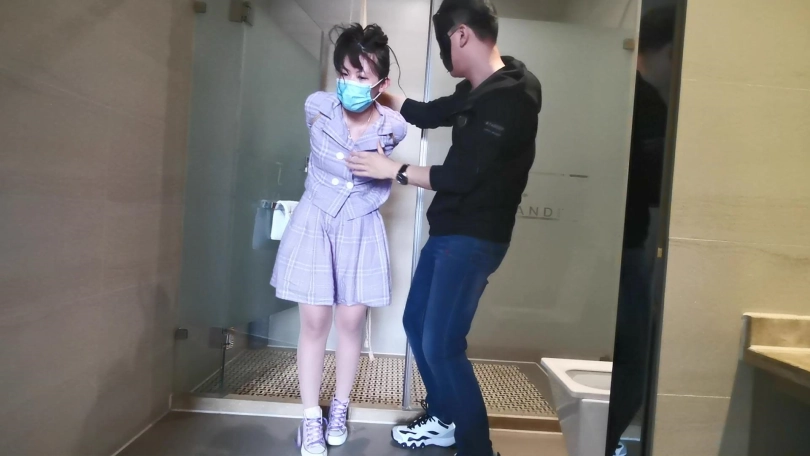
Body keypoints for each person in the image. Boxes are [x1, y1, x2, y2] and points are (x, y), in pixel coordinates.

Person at [346, 1, 541, 455]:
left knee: (442, 344)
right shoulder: (483, 86)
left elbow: (459, 177)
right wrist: (377, 93)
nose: (443, 54)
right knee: (417, 325)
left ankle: (476, 448)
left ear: (460, 36)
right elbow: (429, 113)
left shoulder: (509, 98)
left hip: (474, 238)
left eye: (443, 44)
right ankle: (444, 417)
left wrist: (391, 169)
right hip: (450, 232)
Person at [270, 23, 407, 456]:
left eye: (361, 76)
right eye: (344, 73)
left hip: (360, 225)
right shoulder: (317, 107)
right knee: (314, 323)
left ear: (381, 84)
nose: (350, 83)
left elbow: (385, 166)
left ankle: (340, 408)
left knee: (350, 323)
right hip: (316, 219)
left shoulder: (393, 126)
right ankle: (311, 416)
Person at [606, 5, 676, 456]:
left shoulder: (613, 90)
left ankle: (597, 438)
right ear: (670, 51)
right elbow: (656, 188)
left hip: (601, 243)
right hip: (627, 244)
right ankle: (605, 441)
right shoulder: (648, 104)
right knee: (633, 359)